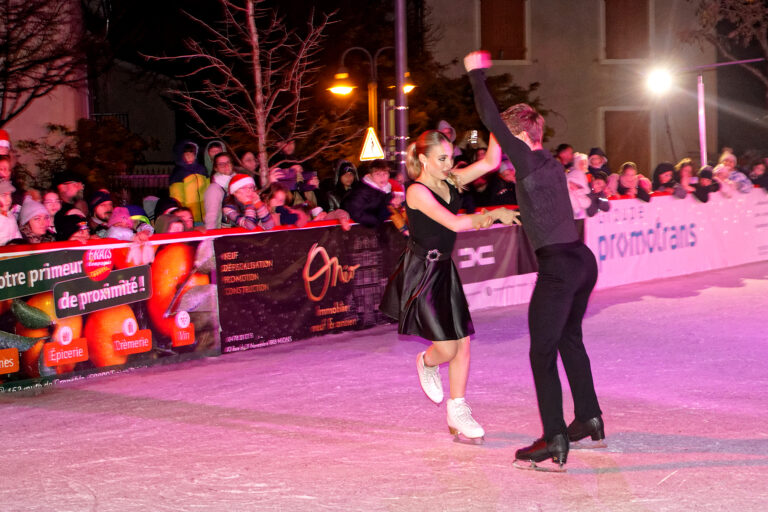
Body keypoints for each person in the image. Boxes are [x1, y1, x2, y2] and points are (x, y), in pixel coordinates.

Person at [466, 50, 604, 471]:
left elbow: (491, 119)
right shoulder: (548, 162)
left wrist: (476, 76)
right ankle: (588, 416)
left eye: (508, 138)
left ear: (519, 135)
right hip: (582, 260)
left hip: (560, 267)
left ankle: (555, 437)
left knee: (540, 354)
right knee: (569, 340)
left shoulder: (526, 158)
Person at [379, 129, 520, 444]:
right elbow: (455, 223)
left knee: (463, 342)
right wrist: (494, 214)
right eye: (441, 158)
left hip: (444, 268)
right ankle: (427, 362)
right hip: (421, 272)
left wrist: (497, 126)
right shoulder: (417, 192)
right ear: (423, 159)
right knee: (447, 347)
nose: (448, 164)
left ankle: (457, 409)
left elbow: (491, 161)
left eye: (451, 157)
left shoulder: (451, 180)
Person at [169, 141, 209, 224]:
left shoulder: (201, 169)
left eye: (192, 154)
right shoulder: (179, 172)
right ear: (181, 156)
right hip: (189, 216)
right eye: (187, 155)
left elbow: (208, 189)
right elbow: (177, 197)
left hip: (205, 214)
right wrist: (182, 214)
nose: (190, 157)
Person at [204, 152, 236, 230]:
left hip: (241, 230)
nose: (226, 166)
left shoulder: (241, 183)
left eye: (228, 162)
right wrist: (210, 237)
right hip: (224, 233)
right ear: (215, 168)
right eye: (221, 164)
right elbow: (211, 217)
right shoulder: (214, 189)